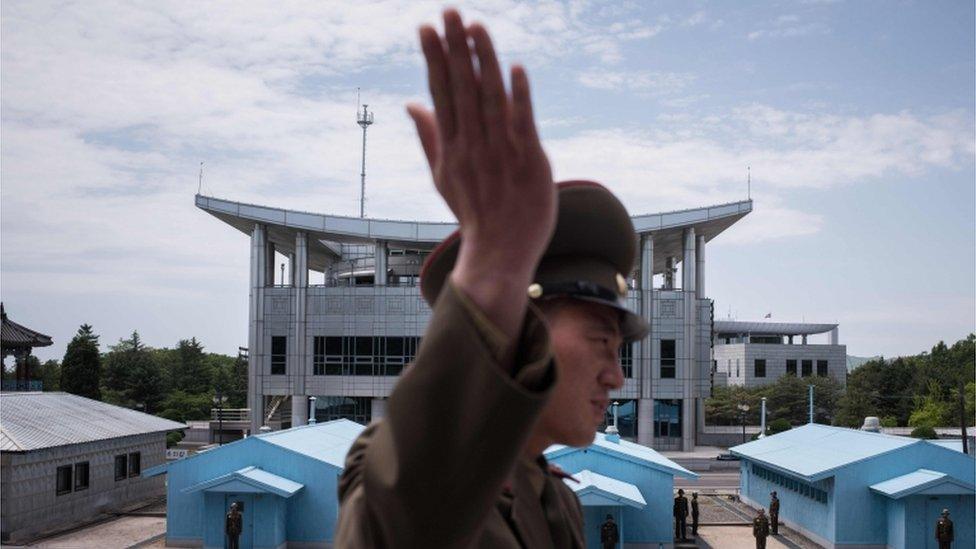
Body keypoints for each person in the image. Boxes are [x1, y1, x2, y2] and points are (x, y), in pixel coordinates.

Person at [334, 8, 648, 548]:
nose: (616, 378)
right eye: (601, 341)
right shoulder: (408, 467)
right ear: (523, 334)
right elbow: (404, 521)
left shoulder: (557, 499)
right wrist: (496, 264)